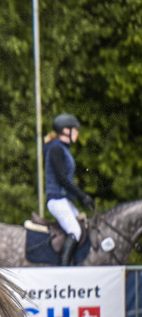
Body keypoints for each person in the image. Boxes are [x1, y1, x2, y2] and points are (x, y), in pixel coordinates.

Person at [43, 113, 95, 265]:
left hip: (63, 199)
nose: (77, 133)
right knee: (75, 231)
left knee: (83, 227)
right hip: (56, 200)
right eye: (75, 130)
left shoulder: (63, 148)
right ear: (66, 130)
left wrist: (82, 197)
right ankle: (64, 271)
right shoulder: (56, 149)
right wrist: (81, 195)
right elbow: (62, 179)